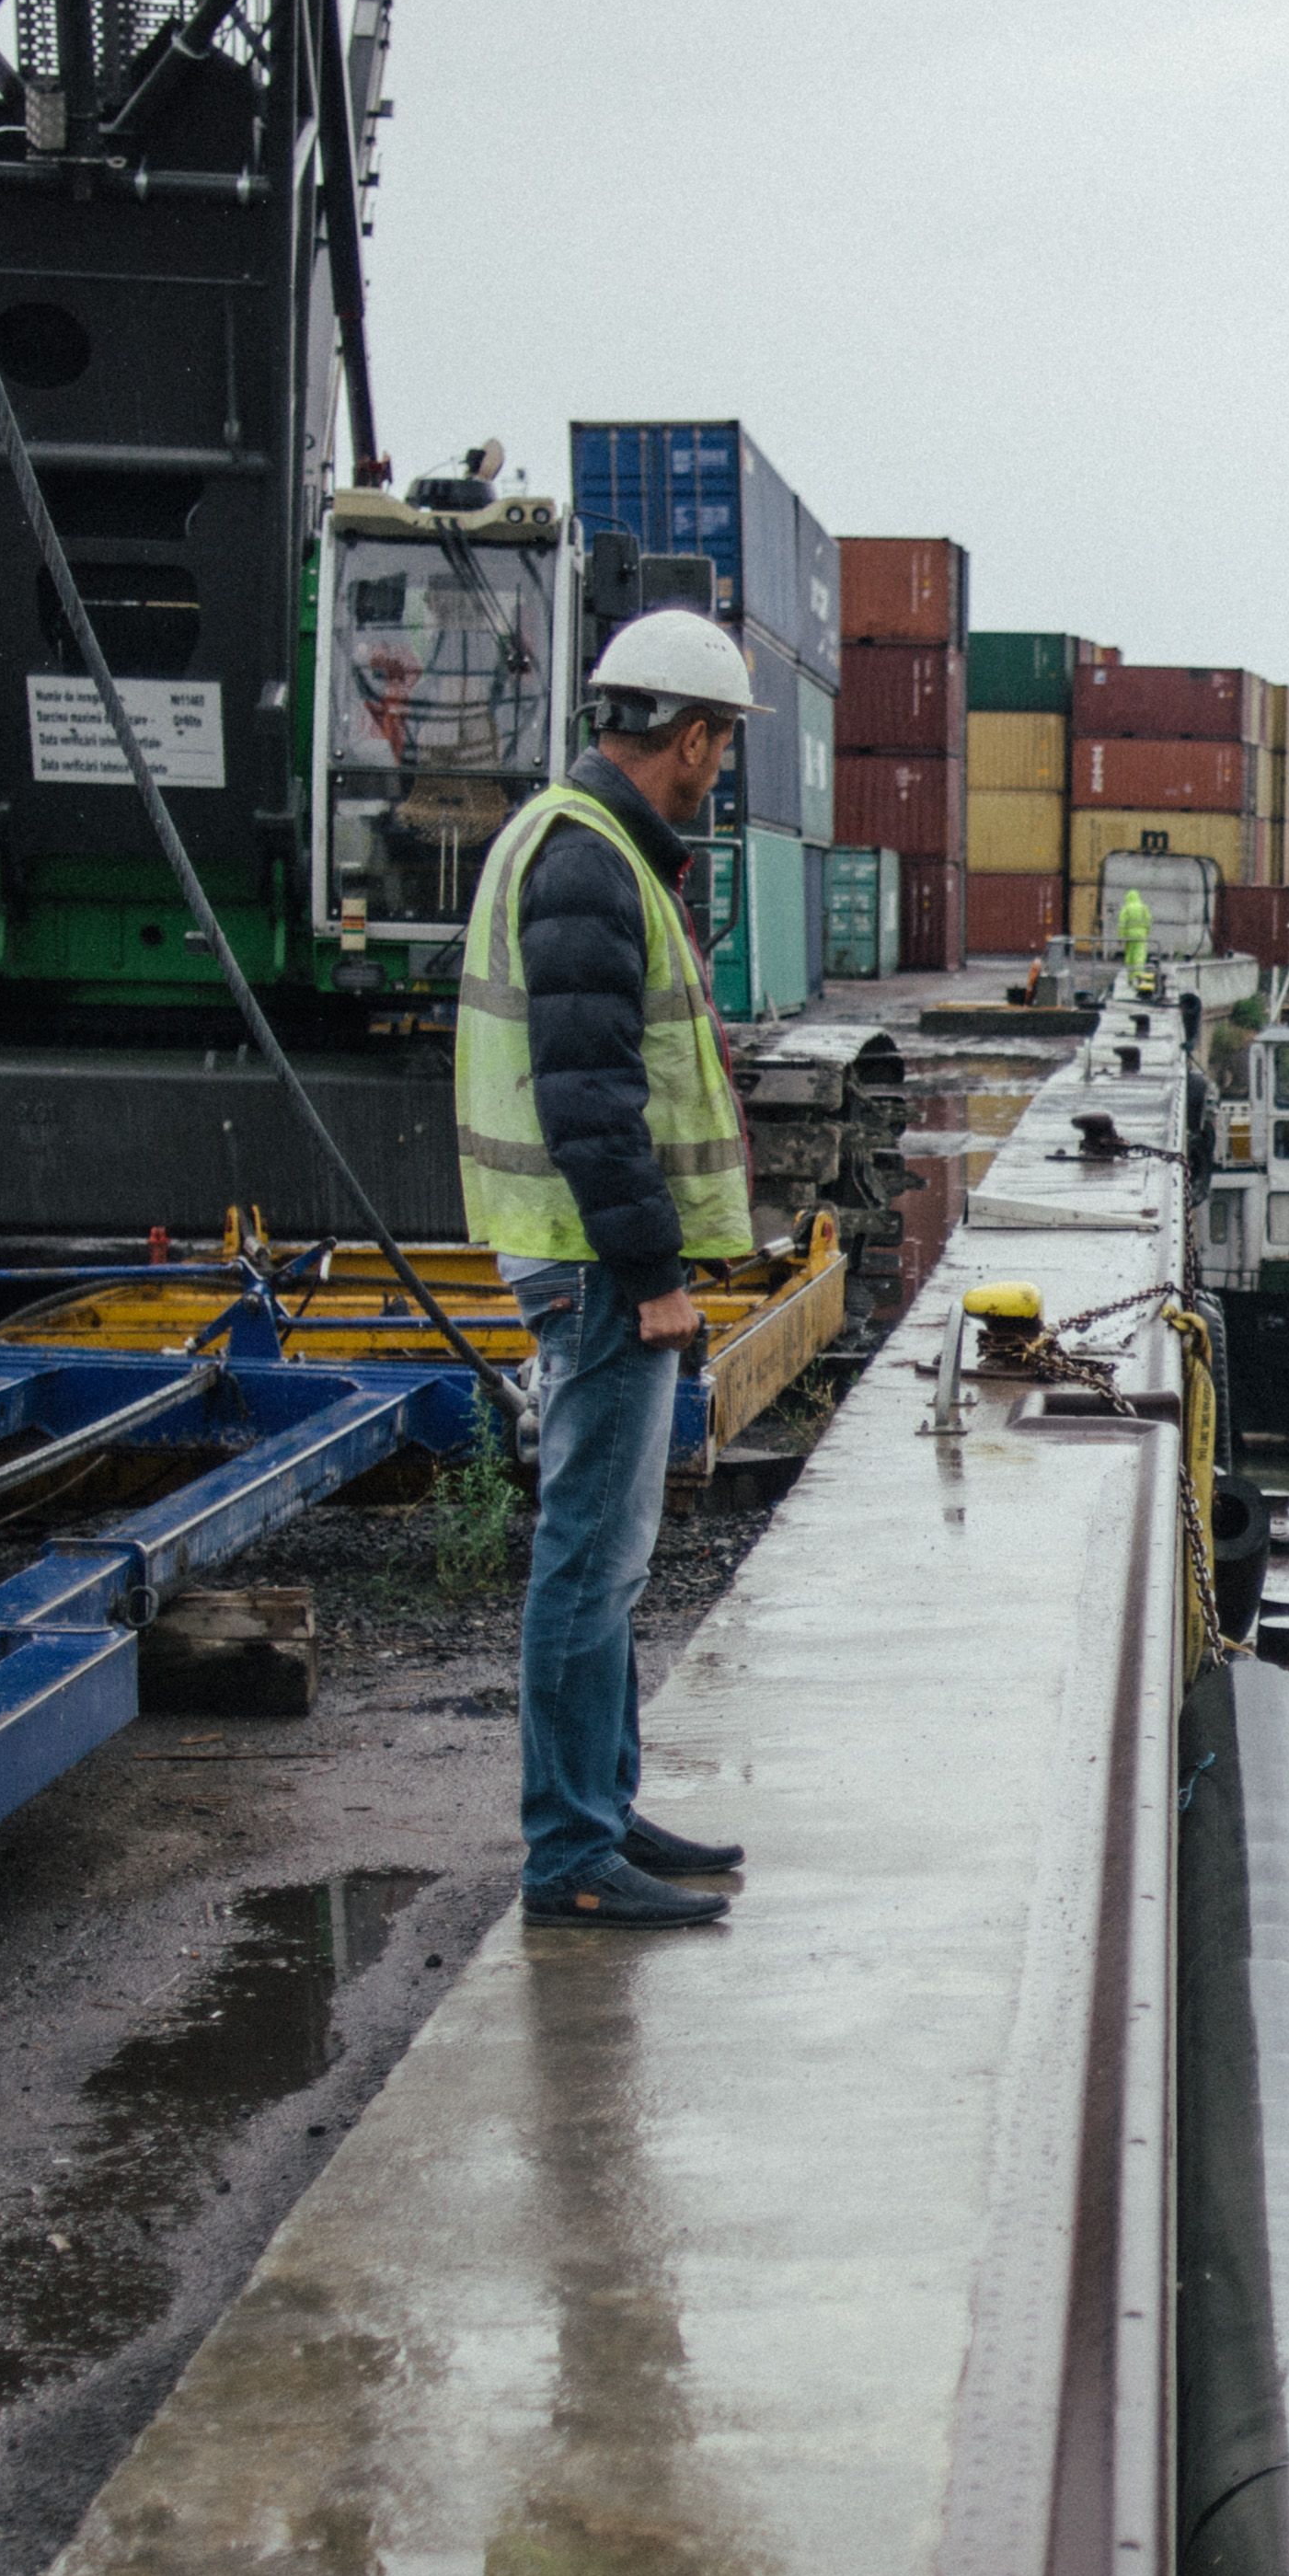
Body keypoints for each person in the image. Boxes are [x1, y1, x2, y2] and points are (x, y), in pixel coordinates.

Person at [455, 608, 765, 1929]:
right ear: (687, 735)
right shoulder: (587, 859)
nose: (721, 769)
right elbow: (589, 1096)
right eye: (722, 745)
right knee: (588, 1556)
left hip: (584, 1258)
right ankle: (571, 1852)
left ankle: (603, 1803)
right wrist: (652, 1274)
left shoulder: (581, 840)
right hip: (594, 1265)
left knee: (613, 1556)